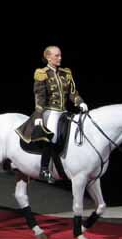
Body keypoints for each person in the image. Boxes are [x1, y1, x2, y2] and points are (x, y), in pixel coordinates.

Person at [17, 46, 88, 182]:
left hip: (64, 111)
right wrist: (38, 116)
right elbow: (40, 97)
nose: (60, 58)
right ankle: (44, 169)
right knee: (52, 136)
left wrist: (80, 102)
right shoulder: (42, 73)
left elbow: (73, 92)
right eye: (56, 56)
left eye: (60, 55)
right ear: (48, 57)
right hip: (50, 111)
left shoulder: (65, 73)